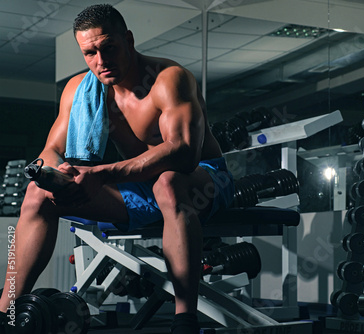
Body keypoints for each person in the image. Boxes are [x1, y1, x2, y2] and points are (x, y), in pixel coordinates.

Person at [0, 4, 234, 334]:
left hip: (201, 179)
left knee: (167, 183)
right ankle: (5, 311)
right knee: (37, 192)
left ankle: (185, 320)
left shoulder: (168, 80)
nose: (100, 61)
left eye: (108, 47)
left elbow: (183, 154)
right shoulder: (79, 90)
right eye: (90, 53)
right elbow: (51, 150)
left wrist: (104, 173)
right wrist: (56, 172)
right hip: (139, 185)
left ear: (128, 40)